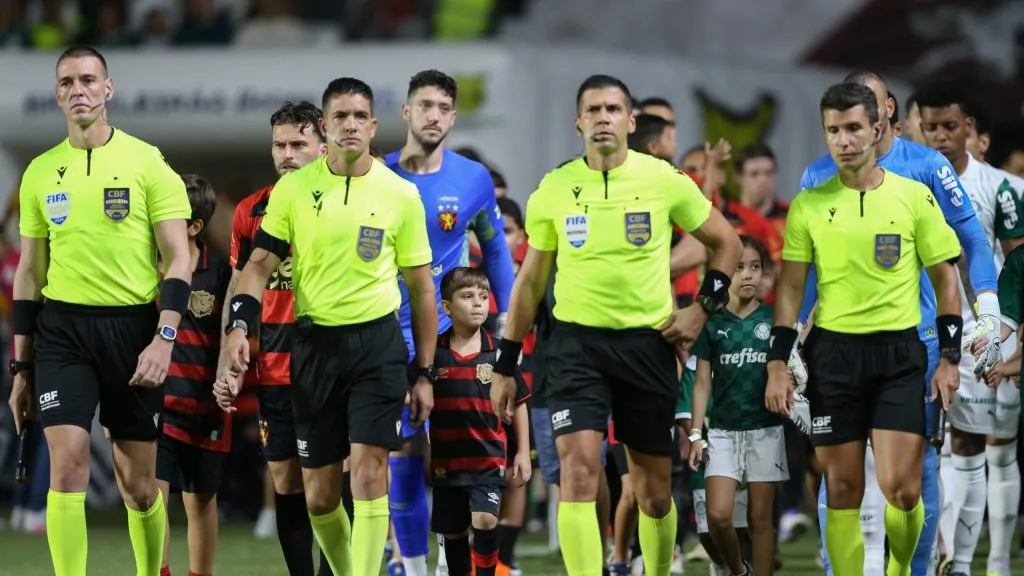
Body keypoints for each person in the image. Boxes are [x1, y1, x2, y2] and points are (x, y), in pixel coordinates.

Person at [490, 74, 743, 576]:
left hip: (647, 345)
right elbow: (531, 282)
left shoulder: (664, 179)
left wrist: (700, 310)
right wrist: (505, 361)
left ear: (630, 121)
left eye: (612, 109)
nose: (602, 117)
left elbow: (727, 243)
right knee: (578, 472)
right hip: (574, 347)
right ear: (578, 122)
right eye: (593, 110)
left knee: (651, 494)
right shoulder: (554, 189)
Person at [217, 77, 438, 576]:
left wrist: (425, 371)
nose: (351, 125)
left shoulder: (399, 193)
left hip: (375, 345)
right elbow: (255, 267)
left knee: (367, 472)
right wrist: (236, 327)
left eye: (360, 116)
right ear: (326, 125)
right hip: (312, 347)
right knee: (318, 497)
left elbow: (423, 290)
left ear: (374, 124)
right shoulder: (294, 189)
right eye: (340, 117)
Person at [798, 71, 999, 576]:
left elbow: (971, 241)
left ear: (887, 108)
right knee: (836, 474)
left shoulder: (927, 166)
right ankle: (836, 568)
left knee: (918, 469)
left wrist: (988, 309)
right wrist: (797, 339)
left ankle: (914, 570)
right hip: (838, 343)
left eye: (868, 105)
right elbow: (805, 270)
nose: (847, 134)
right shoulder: (816, 177)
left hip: (918, 340)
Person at [7, 45, 193, 576]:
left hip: (134, 330)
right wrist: (22, 366)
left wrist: (164, 338)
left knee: (138, 489)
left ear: (108, 88)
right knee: (66, 464)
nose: (78, 90)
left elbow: (179, 258)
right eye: (67, 82)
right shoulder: (41, 173)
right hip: (63, 331)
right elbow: (29, 274)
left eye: (88, 80)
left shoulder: (146, 161)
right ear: (57, 93)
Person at [766, 81, 964, 576]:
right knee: (844, 489)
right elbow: (790, 290)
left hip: (900, 356)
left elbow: (946, 280)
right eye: (833, 130)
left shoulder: (914, 197)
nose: (844, 140)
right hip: (834, 359)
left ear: (877, 129)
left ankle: (900, 571)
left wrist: (949, 358)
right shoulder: (809, 206)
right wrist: (778, 362)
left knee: (903, 489)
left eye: (853, 128)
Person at [383, 69, 516, 576]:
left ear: (453, 117)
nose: (433, 115)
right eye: (424, 105)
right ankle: (413, 565)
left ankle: (447, 557)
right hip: (386, 333)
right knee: (405, 445)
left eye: (443, 107)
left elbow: (497, 248)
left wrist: (503, 323)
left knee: (458, 444)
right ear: (406, 111)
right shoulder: (380, 174)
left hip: (449, 336)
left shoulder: (472, 179)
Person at [916, 81, 1024, 576]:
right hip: (936, 328)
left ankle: (998, 561)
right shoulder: (909, 183)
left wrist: (1006, 335)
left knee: (999, 449)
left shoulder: (1003, 189)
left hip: (996, 328)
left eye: (949, 127)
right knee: (958, 443)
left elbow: (1017, 265)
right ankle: (957, 562)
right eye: (931, 126)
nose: (939, 136)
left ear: (970, 130)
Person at [220, 101, 332, 576]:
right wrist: (231, 341)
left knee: (332, 483)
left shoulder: (343, 200)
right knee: (286, 480)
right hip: (274, 368)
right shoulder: (251, 211)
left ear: (323, 148)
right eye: (279, 145)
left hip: (331, 364)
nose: (287, 154)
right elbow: (238, 283)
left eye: (298, 145)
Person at [689, 235, 786, 576]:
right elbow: (702, 383)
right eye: (739, 267)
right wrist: (695, 435)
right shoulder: (712, 323)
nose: (748, 275)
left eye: (755, 267)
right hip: (723, 433)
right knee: (718, 515)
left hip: (765, 430)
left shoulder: (775, 320)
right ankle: (737, 570)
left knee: (760, 519)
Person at [429, 267, 532, 576]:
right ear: (446, 307)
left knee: (485, 520)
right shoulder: (433, 352)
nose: (477, 304)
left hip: (487, 458)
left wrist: (523, 452)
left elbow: (521, 402)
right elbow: (415, 396)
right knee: (455, 533)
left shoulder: (500, 353)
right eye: (467, 296)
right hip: (446, 461)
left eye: (483, 297)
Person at [155, 174, 229, 576]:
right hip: (154, 403)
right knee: (153, 497)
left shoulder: (219, 277)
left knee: (200, 500)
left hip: (204, 407)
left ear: (195, 226)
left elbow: (239, 340)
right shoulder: (144, 269)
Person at [677, 354, 751, 576]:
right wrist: (698, 441)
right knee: (706, 527)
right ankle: (720, 564)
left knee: (740, 523)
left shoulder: (743, 359)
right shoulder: (692, 367)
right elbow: (683, 414)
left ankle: (743, 566)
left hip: (744, 451)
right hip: (706, 458)